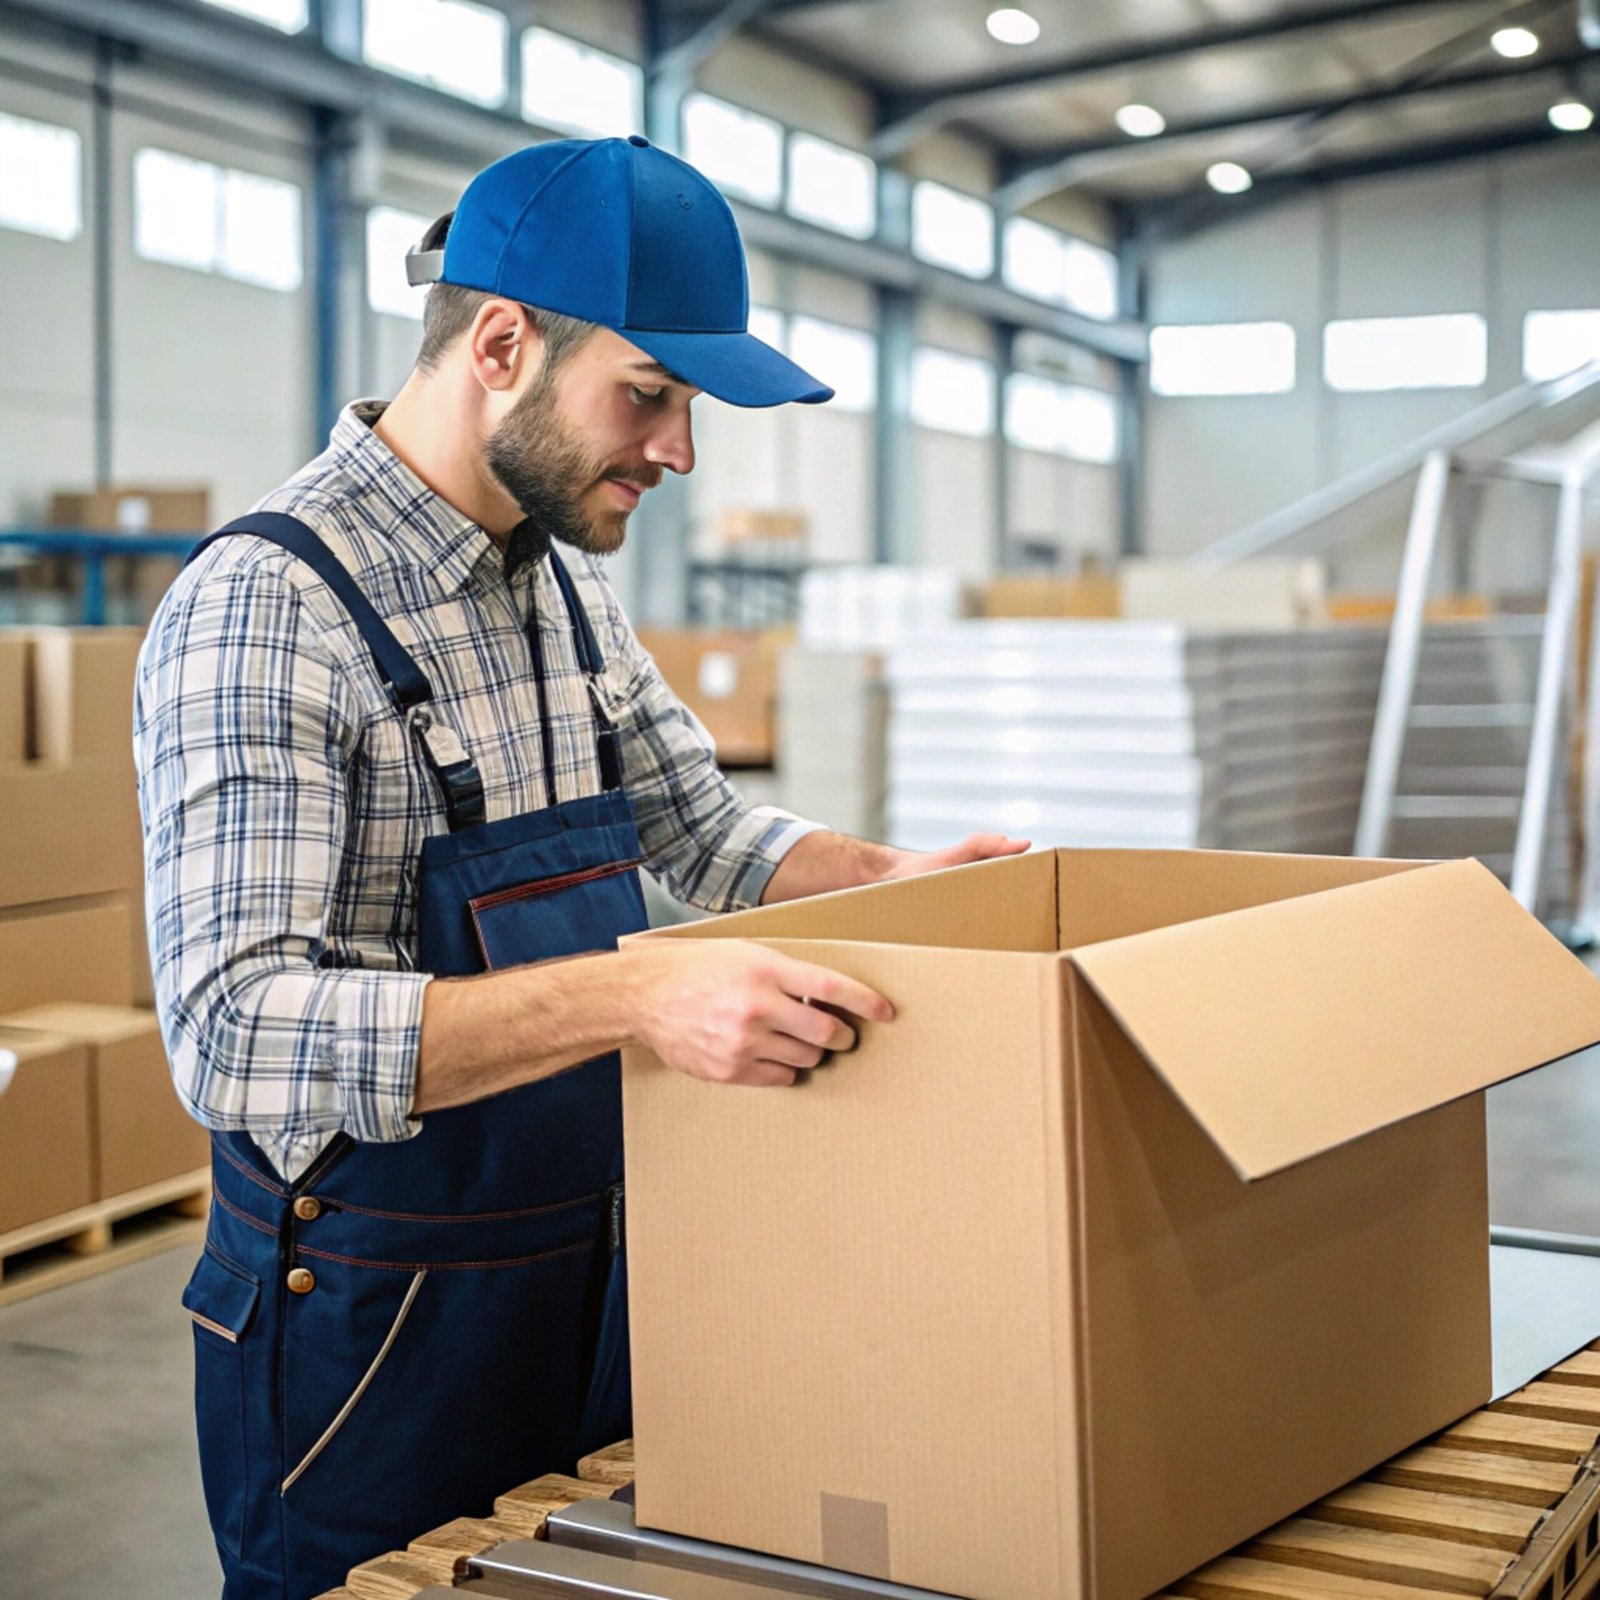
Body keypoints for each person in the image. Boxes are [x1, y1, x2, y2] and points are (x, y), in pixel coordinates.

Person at [133, 134, 1026, 1600]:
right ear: (501, 346)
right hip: (371, 1330)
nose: (679, 452)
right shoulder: (268, 607)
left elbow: (705, 833)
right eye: (650, 395)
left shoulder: (558, 580)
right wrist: (639, 1001)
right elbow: (235, 1036)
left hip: (584, 1276)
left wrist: (907, 874)